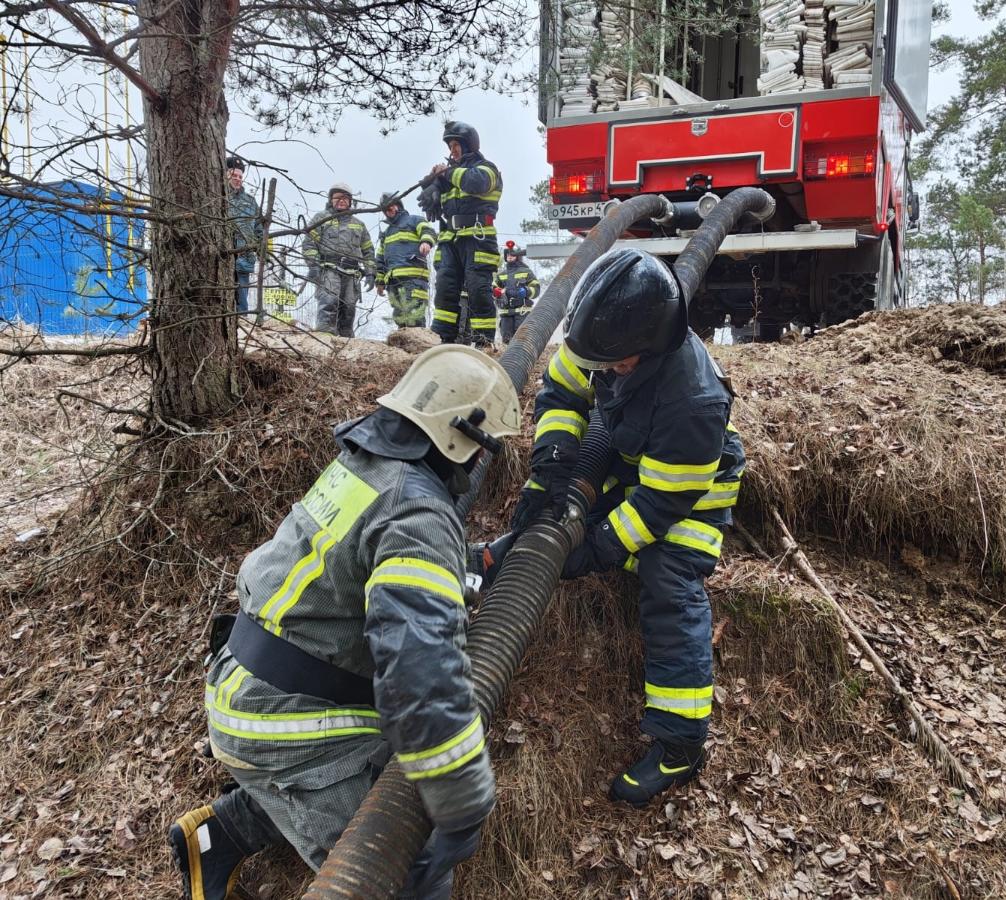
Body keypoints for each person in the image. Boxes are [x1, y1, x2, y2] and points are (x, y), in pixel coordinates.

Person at [168, 345, 521, 900]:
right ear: (459, 440)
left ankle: (219, 836)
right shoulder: (418, 512)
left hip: (250, 683)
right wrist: (462, 803)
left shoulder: (365, 466)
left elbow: (360, 562)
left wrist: (470, 561)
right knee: (405, 870)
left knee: (352, 767)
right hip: (288, 723)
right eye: (481, 453)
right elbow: (421, 676)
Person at [479, 248, 745, 808]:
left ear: (648, 348)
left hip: (688, 492)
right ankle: (491, 560)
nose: (607, 367)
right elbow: (561, 393)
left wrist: (597, 547)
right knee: (560, 518)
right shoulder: (599, 336)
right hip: (631, 452)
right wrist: (548, 470)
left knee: (667, 579)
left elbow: (656, 510)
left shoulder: (691, 402)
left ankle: (680, 743)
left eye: (618, 362)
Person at [427, 122, 502, 347]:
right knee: (445, 291)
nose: (452, 150)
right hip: (451, 241)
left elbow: (474, 182)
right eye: (450, 145)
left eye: (456, 144)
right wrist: (432, 186)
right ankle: (444, 340)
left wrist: (446, 173)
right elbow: (438, 208)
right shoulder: (449, 177)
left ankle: (483, 343)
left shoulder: (487, 168)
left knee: (479, 291)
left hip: (479, 239)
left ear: (469, 145)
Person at [302, 183, 376, 337]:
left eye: (345, 198)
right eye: (338, 197)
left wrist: (370, 272)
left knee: (349, 307)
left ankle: (345, 343)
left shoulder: (358, 224)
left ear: (350, 201)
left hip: (352, 274)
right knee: (328, 303)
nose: (342, 201)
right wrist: (313, 265)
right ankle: (324, 339)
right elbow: (309, 243)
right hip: (329, 270)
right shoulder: (321, 218)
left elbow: (368, 250)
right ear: (331, 199)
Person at [375, 191, 436, 331]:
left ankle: (419, 346)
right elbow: (380, 258)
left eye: (390, 207)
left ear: (398, 206)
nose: (388, 212)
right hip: (393, 280)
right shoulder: (387, 233)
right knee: (399, 315)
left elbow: (428, 231)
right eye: (385, 210)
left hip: (414, 278)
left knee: (414, 313)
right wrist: (379, 281)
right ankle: (403, 346)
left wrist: (426, 242)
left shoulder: (414, 220)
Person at [226, 156, 263, 315]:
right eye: (233, 175)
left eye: (240, 177)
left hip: (244, 258)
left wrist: (262, 251)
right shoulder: (218, 197)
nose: (237, 179)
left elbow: (259, 229)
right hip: (223, 257)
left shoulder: (250, 201)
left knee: (242, 301)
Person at [493, 241, 540, 343]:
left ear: (518, 256)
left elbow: (536, 288)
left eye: (512, 254)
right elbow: (493, 288)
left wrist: (527, 291)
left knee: (522, 340)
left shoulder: (526, 271)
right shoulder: (501, 274)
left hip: (522, 313)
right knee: (506, 340)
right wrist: (496, 291)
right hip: (506, 313)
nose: (509, 256)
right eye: (507, 254)